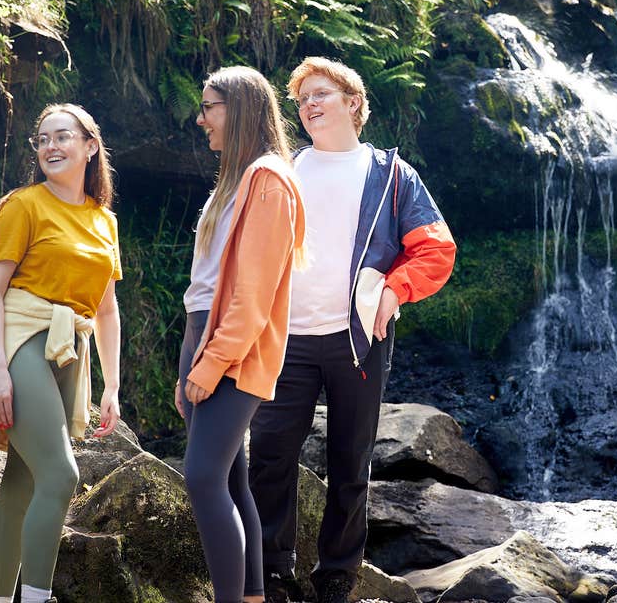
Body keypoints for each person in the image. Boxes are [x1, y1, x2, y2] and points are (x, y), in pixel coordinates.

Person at [249, 56, 456, 603]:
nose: (309, 106)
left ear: (353, 103)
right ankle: (272, 574)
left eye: (321, 94)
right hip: (285, 338)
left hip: (358, 340)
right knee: (269, 453)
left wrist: (394, 290)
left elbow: (436, 248)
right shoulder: (283, 170)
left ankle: (337, 577)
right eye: (302, 100)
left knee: (350, 460)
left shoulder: (391, 174)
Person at [0, 103, 123, 603]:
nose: (50, 147)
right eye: (42, 140)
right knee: (60, 476)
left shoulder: (104, 220)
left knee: (22, 484)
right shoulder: (23, 205)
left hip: (68, 350)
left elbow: (105, 310)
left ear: (90, 146)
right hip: (21, 339)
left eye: (62, 137)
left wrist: (112, 386)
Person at [174, 65, 307, 603]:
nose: (200, 119)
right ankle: (252, 596)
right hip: (203, 335)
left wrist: (210, 363)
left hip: (233, 347)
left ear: (242, 108)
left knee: (203, 479)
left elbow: (252, 295)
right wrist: (190, 358)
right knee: (229, 480)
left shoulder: (269, 180)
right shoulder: (234, 180)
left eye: (210, 107)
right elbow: (204, 286)